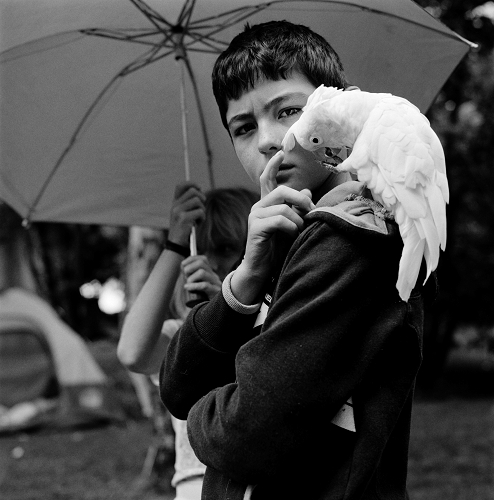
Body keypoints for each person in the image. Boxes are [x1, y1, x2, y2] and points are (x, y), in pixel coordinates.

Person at [160, 20, 435, 500]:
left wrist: (210, 403)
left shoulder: (351, 237)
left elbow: (247, 433)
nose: (268, 140)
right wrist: (246, 277)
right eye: (243, 128)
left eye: (288, 111)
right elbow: (175, 387)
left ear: (338, 109)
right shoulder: (288, 239)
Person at [118, 182, 258, 500]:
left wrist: (229, 309)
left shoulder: (271, 323)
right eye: (200, 249)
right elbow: (132, 353)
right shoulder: (180, 336)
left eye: (225, 249)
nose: (209, 262)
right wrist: (176, 243)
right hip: (193, 488)